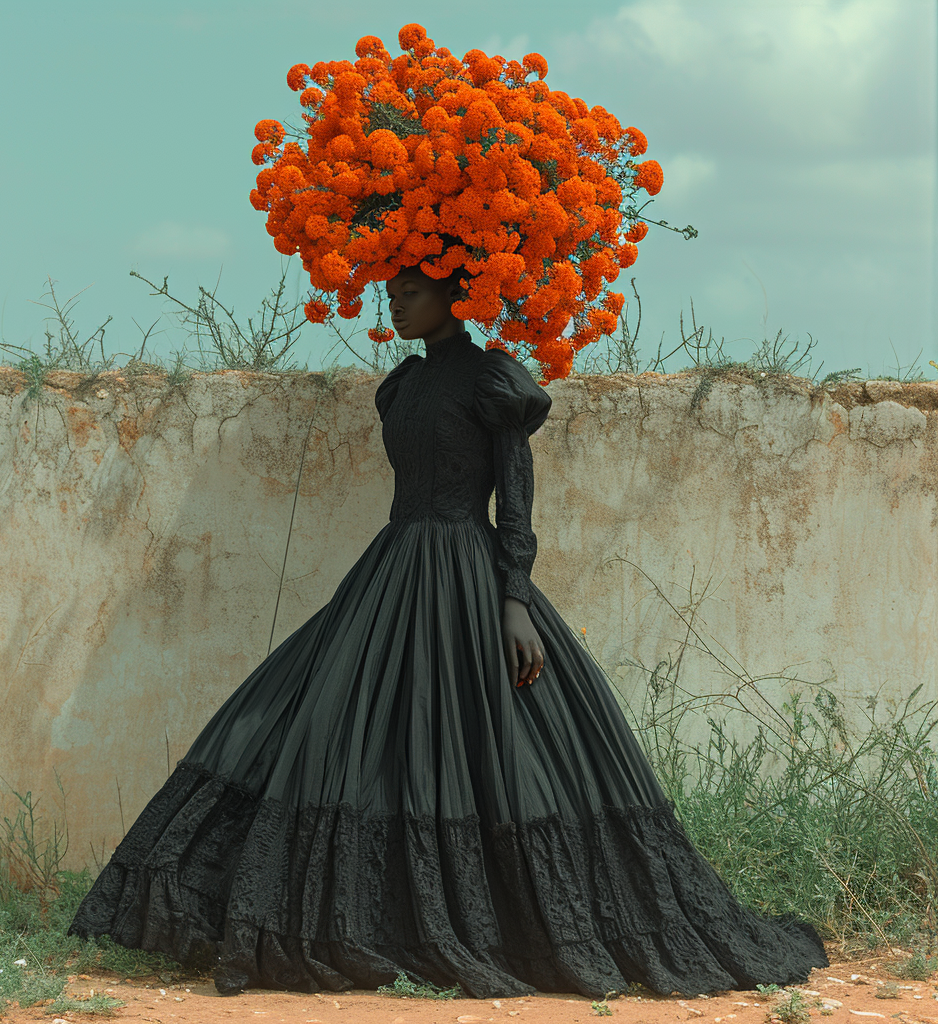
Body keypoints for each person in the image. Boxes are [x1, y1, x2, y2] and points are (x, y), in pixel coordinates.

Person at [68, 264, 828, 999]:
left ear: (455, 295)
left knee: (486, 748)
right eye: (391, 293)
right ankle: (361, 918)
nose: (396, 305)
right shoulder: (403, 381)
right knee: (326, 726)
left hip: (469, 570)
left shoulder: (494, 378)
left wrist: (514, 599)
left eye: (412, 292)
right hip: (394, 568)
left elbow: (516, 499)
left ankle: (513, 926)